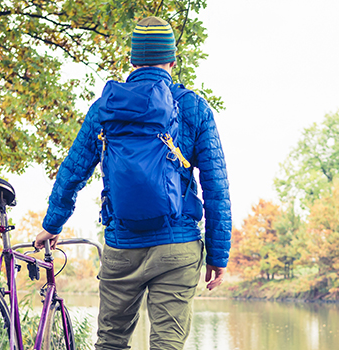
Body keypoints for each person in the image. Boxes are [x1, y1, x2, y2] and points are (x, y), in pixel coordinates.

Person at [34, 16, 231, 350]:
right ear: (172, 59)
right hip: (178, 246)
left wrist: (52, 224)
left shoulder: (105, 109)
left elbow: (72, 173)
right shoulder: (193, 107)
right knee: (166, 344)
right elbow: (216, 187)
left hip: (122, 245)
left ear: (132, 60)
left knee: (111, 341)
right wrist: (218, 253)